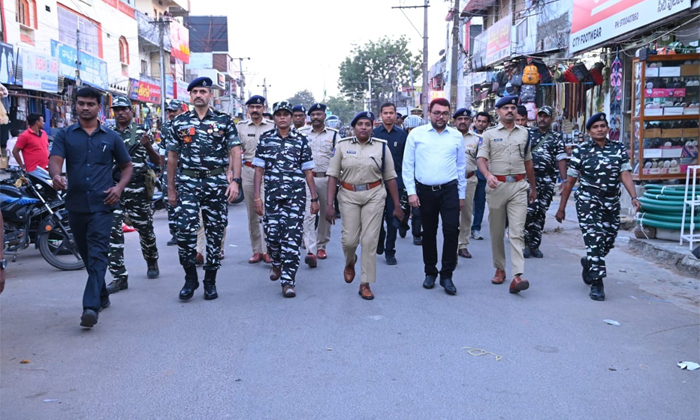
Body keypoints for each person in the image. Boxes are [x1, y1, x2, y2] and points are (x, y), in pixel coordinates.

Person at [49, 87, 133, 328]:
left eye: (90, 104)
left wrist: (119, 188)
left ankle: (90, 307)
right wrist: (56, 175)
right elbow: (55, 161)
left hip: (103, 205)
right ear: (76, 105)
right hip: (75, 205)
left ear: (99, 108)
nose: (85, 107)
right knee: (86, 255)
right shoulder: (65, 135)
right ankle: (102, 295)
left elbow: (127, 166)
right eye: (81, 103)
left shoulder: (111, 137)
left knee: (97, 254)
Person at [166, 77, 241, 301]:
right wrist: (170, 188)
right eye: (195, 92)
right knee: (185, 232)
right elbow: (171, 157)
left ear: (210, 95)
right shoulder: (179, 122)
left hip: (216, 183)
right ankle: (190, 279)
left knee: (215, 232)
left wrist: (235, 180)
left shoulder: (224, 120)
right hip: (188, 184)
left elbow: (235, 151)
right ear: (190, 96)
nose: (199, 95)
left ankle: (210, 281)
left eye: (203, 91)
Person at [556, 113, 641, 301]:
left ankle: (590, 262)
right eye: (595, 127)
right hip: (588, 202)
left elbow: (625, 173)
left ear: (608, 129)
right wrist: (561, 208)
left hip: (611, 202)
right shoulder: (582, 150)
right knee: (595, 240)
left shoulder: (618, 148)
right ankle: (597, 283)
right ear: (589, 131)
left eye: (603, 126)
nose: (600, 129)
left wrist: (634, 196)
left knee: (608, 240)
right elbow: (570, 181)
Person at [326, 111, 403, 300]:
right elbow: (333, 175)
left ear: (372, 127)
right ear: (353, 127)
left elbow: (390, 177)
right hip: (348, 195)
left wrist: (397, 205)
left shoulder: (381, 147)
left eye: (367, 124)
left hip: (374, 194)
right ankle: (350, 261)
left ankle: (365, 283)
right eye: (360, 124)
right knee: (349, 240)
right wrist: (329, 204)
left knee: (369, 241)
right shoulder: (342, 146)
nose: (363, 127)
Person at [253, 101, 319, 298]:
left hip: (295, 198)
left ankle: (288, 281)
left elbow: (308, 171)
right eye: (278, 114)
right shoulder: (265, 140)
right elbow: (258, 170)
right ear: (273, 117)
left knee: (291, 240)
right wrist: (257, 197)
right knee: (272, 237)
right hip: (272, 197)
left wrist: (314, 198)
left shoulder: (300, 140)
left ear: (292, 117)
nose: (282, 117)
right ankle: (276, 263)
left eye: (286, 114)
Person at [403, 98, 466, 296]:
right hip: (424, 191)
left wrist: (461, 195)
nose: (441, 117)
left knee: (451, 231)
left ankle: (447, 275)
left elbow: (461, 167)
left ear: (449, 115)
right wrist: (411, 192)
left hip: (449, 190)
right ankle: (430, 272)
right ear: (428, 114)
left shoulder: (456, 136)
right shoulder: (416, 135)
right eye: (437, 113)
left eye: (445, 113)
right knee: (428, 233)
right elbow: (408, 166)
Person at [476, 96, 537, 294]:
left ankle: (517, 276)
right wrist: (487, 174)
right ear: (499, 112)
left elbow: (528, 162)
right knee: (496, 232)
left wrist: (533, 187)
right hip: (496, 187)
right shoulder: (489, 134)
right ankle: (499, 268)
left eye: (513, 108)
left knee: (517, 231)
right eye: (506, 108)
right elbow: (481, 159)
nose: (510, 111)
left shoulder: (525, 133)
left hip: (519, 186)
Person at [105, 96, 161, 294]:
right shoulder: (107, 134)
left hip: (137, 189)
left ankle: (152, 260)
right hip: (115, 190)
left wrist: (147, 146)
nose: (120, 112)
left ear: (131, 111)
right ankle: (119, 276)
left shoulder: (142, 132)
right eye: (116, 109)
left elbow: (158, 161)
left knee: (145, 230)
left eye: (124, 109)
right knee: (113, 232)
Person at [523, 106, 567, 259]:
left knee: (541, 212)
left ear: (551, 119)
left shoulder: (556, 137)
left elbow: (561, 158)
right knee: (529, 211)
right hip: (529, 179)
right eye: (540, 116)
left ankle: (535, 245)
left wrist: (564, 180)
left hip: (548, 180)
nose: (542, 119)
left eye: (546, 116)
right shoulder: (527, 134)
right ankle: (526, 244)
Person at [299, 103, 337, 267]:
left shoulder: (334, 135)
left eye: (319, 114)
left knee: (325, 213)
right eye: (313, 114)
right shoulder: (301, 133)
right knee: (308, 213)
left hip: (327, 179)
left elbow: (338, 158)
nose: (316, 117)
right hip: (307, 179)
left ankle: (322, 246)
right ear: (309, 117)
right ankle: (311, 250)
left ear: (324, 116)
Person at [236, 96, 273, 264]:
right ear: (248, 109)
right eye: (252, 107)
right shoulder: (241, 127)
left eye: (258, 106)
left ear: (264, 108)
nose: (255, 110)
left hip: (269, 172)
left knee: (267, 210)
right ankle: (257, 250)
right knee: (252, 213)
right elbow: (235, 152)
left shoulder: (273, 126)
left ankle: (268, 250)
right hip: (249, 171)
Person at [373, 102, 407, 266]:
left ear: (396, 115)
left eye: (391, 113)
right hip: (375, 182)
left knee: (393, 216)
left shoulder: (402, 135)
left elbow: (406, 160)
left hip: (396, 182)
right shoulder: (373, 134)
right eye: (385, 113)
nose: (388, 115)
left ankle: (390, 251)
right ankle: (380, 238)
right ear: (381, 115)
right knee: (376, 218)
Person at [454, 108, 478, 259]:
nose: (463, 122)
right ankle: (451, 245)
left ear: (470, 121)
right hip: (449, 182)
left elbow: (483, 160)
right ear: (454, 121)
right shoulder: (447, 137)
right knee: (451, 215)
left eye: (466, 119)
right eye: (460, 119)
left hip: (469, 180)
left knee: (466, 214)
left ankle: (462, 245)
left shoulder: (477, 139)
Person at [162, 100, 185, 246]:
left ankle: (185, 231)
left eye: (173, 111)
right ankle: (175, 233)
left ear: (181, 111)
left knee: (184, 200)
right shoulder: (165, 127)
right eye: (169, 111)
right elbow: (163, 148)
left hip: (184, 167)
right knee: (169, 200)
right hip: (168, 167)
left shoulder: (187, 124)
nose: (170, 114)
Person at [401, 115, 423, 246]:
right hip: (404, 177)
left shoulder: (425, 140)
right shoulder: (402, 139)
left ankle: (417, 234)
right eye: (410, 129)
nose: (412, 131)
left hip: (419, 179)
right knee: (404, 208)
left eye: (415, 128)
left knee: (417, 209)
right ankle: (403, 224)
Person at [470, 112, 490, 240]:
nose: (481, 123)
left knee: (480, 202)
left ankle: (476, 228)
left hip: (483, 175)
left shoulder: (490, 137)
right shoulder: (468, 136)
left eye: (484, 121)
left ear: (488, 124)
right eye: (479, 121)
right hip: (469, 174)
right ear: (475, 121)